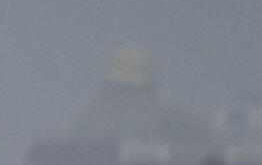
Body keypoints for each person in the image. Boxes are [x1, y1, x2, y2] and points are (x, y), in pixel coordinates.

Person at [72, 45, 211, 147]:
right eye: (120, 90)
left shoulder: (173, 119)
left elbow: (204, 138)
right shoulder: (90, 118)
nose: (125, 99)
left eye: (131, 91)